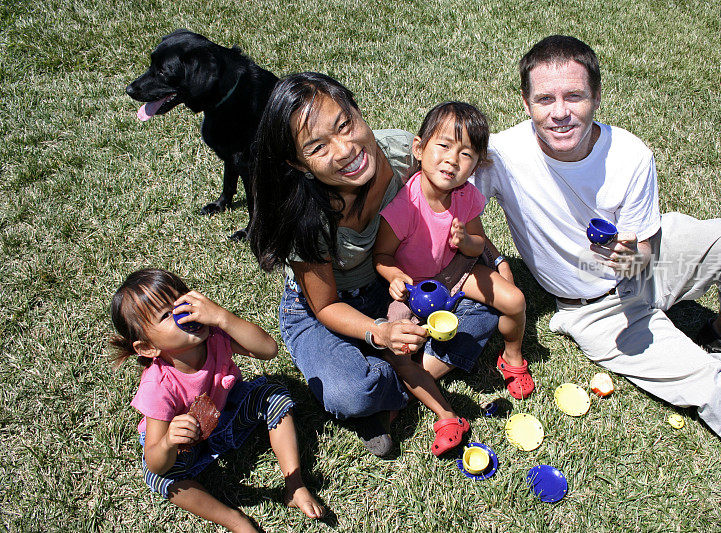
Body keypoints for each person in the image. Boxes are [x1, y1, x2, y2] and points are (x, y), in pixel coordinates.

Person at [474, 35, 721, 474]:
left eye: (575, 96)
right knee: (710, 384)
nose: (560, 112)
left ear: (597, 96)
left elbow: (645, 252)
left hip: (656, 261)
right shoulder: (500, 156)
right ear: (525, 101)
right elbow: (443, 204)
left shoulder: (630, 154)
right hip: (596, 309)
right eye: (545, 98)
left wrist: (630, 258)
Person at [249, 73, 500, 457]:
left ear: (357, 111)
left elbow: (457, 214)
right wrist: (380, 334)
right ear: (298, 164)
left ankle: (396, 391)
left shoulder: (401, 153)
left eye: (345, 125)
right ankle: (398, 377)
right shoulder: (305, 218)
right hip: (326, 310)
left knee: (483, 312)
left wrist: (490, 256)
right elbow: (326, 305)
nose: (345, 149)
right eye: (317, 147)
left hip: (394, 286)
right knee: (351, 392)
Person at [109, 269, 324, 532]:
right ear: (148, 348)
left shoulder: (215, 337)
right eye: (166, 315)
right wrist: (168, 441)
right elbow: (155, 460)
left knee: (274, 393)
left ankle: (295, 484)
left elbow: (268, 349)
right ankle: (235, 521)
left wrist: (222, 317)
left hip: (226, 416)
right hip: (184, 447)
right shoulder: (158, 385)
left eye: (182, 301)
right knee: (159, 479)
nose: (181, 314)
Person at [374, 101, 533, 405]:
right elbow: (381, 256)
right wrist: (393, 276)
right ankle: (404, 385)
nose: (452, 160)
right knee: (400, 343)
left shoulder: (466, 195)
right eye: (444, 145)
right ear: (419, 148)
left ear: (476, 165)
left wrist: (465, 243)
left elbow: (479, 241)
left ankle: (512, 355)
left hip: (457, 270)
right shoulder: (404, 206)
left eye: (466, 154)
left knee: (515, 300)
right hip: (413, 289)